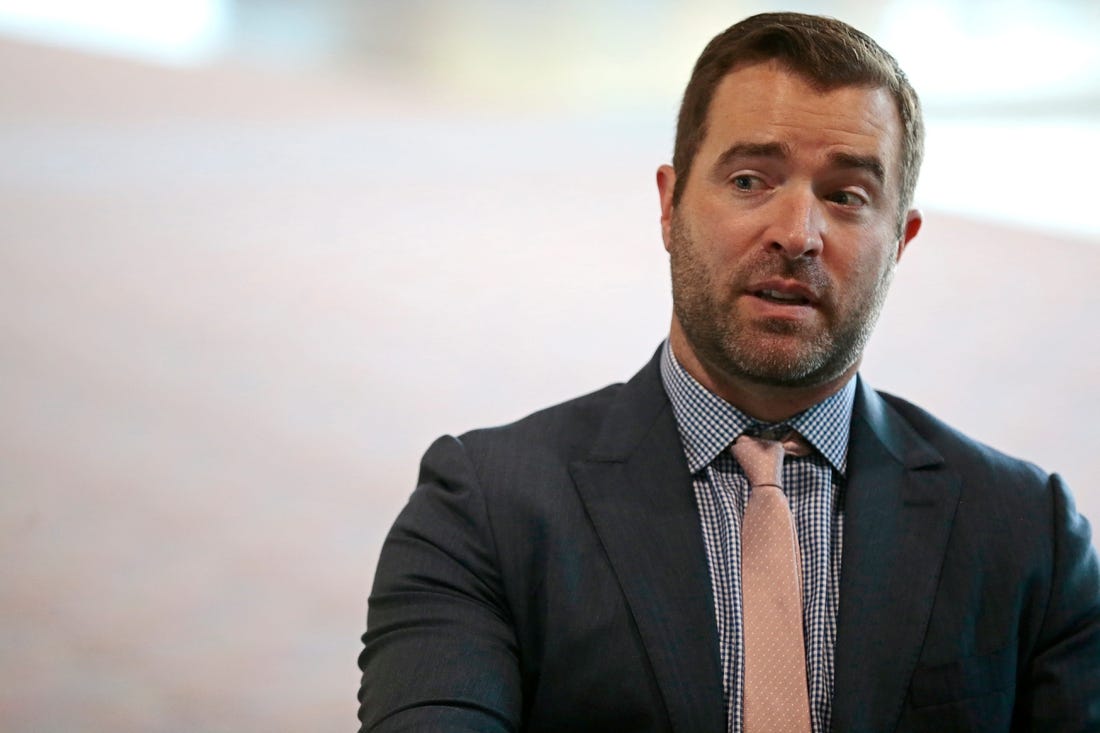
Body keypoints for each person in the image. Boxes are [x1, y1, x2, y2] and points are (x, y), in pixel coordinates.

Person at [358, 12, 1100, 733]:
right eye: (750, 180)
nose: (796, 234)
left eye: (846, 196)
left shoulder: (1028, 532)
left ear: (900, 240)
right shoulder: (485, 510)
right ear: (670, 204)